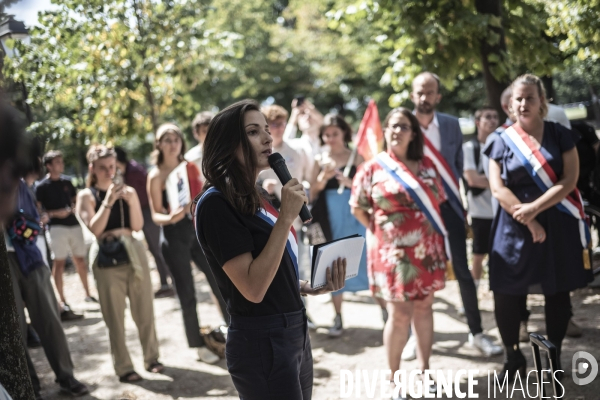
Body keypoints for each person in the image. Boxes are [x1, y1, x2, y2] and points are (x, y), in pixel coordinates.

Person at [195, 99, 346, 399]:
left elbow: (270, 261)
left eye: (266, 129)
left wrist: (305, 286)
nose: (267, 137)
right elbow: (252, 288)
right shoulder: (215, 203)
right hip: (261, 340)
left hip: (294, 331)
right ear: (228, 144)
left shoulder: (257, 194)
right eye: (253, 131)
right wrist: (287, 217)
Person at [485, 74, 593, 381]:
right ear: (509, 103)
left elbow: (569, 180)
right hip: (513, 227)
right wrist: (529, 218)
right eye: (518, 98)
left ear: (541, 101)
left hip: (556, 224)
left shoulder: (560, 134)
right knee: (506, 293)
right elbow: (497, 188)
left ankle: (553, 358)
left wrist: (536, 207)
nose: (523, 104)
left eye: (530, 97)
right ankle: (513, 356)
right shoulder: (500, 139)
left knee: (557, 292)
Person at [350, 107, 447, 399]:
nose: (396, 131)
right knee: (399, 314)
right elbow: (357, 206)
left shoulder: (427, 165)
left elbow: (439, 202)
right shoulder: (372, 167)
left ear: (413, 133)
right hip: (392, 255)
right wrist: (384, 235)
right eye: (392, 126)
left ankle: (424, 369)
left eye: (404, 126)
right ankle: (394, 380)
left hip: (426, 251)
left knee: (424, 308)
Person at [409, 72, 502, 358]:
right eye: (420, 92)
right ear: (413, 95)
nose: (425, 97)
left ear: (438, 95)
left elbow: (458, 165)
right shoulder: (403, 123)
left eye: (431, 92)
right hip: (415, 210)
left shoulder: (450, 125)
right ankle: (416, 336)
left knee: (462, 270)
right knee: (416, 273)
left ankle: (476, 332)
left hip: (448, 206)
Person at [76, 145, 163, 382]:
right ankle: (124, 367)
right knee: (114, 317)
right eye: (103, 168)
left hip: (132, 249)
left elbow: (136, 226)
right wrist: (108, 201)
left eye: (112, 167)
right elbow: (94, 229)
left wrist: (131, 198)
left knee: (144, 308)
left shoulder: (129, 191)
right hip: (104, 255)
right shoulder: (86, 195)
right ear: (92, 168)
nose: (108, 172)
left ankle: (152, 358)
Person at [147, 123, 227, 364]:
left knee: (219, 283)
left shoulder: (190, 166)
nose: (173, 144)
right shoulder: (155, 174)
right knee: (187, 293)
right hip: (172, 236)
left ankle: (236, 332)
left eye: (176, 139)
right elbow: (154, 215)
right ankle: (197, 345)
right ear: (159, 144)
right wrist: (170, 217)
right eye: (167, 139)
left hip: (196, 232)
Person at [7, 171, 88, 398]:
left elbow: (34, 218)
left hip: (29, 256)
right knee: (15, 329)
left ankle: (66, 377)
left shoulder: (15, 182)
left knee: (50, 318)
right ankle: (30, 387)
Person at [309, 114, 369, 337]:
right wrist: (324, 178)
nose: (330, 138)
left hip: (355, 213)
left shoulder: (357, 157)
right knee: (334, 262)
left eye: (335, 133)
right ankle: (338, 316)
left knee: (365, 257)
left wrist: (351, 183)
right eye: (326, 134)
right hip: (329, 216)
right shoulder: (319, 160)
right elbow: (312, 193)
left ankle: (384, 311)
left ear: (344, 132)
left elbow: (368, 190)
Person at [35, 150, 93, 320]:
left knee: (80, 260)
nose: (61, 164)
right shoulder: (41, 186)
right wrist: (55, 213)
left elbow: (76, 201)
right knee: (59, 263)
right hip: (55, 228)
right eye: (57, 162)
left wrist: (74, 209)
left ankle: (88, 294)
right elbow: (39, 210)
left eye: (61, 161)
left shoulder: (68, 181)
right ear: (49, 166)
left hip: (74, 225)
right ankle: (62, 300)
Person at [114, 147, 174, 298]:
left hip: (147, 211)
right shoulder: (126, 170)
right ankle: (165, 283)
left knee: (158, 249)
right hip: (142, 212)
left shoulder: (133, 171)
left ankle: (171, 283)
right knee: (154, 250)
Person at [462, 107, 499, 285]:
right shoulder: (470, 148)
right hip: (480, 212)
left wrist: (487, 180)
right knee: (478, 255)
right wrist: (499, 181)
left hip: (501, 211)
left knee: (500, 254)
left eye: (495, 117)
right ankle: (474, 292)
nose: (492, 120)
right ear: (478, 123)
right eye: (487, 117)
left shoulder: (502, 144)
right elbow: (473, 179)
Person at [185, 111, 215, 176]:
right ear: (196, 133)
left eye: (211, 130)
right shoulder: (190, 158)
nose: (209, 135)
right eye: (204, 131)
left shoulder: (225, 154)